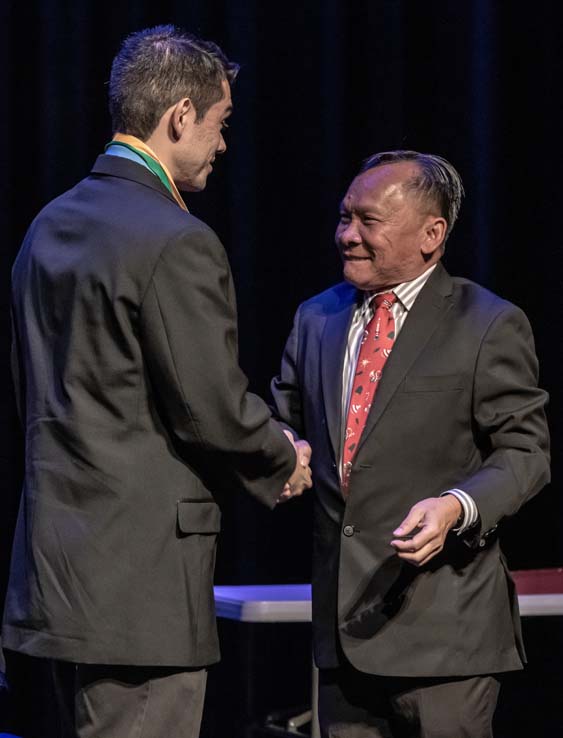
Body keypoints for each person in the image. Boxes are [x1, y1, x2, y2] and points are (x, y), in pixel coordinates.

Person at [2, 25, 311, 738]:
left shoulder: (47, 227)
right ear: (179, 117)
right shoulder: (175, 238)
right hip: (140, 590)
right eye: (219, 123)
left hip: (53, 580)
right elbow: (210, 407)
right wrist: (281, 459)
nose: (223, 144)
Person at [271, 150, 550, 738]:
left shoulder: (487, 323)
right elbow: (283, 422)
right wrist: (283, 447)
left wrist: (455, 506)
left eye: (368, 221)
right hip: (343, 639)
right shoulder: (315, 317)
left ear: (432, 234)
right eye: (344, 217)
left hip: (447, 639)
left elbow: (525, 453)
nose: (347, 235)